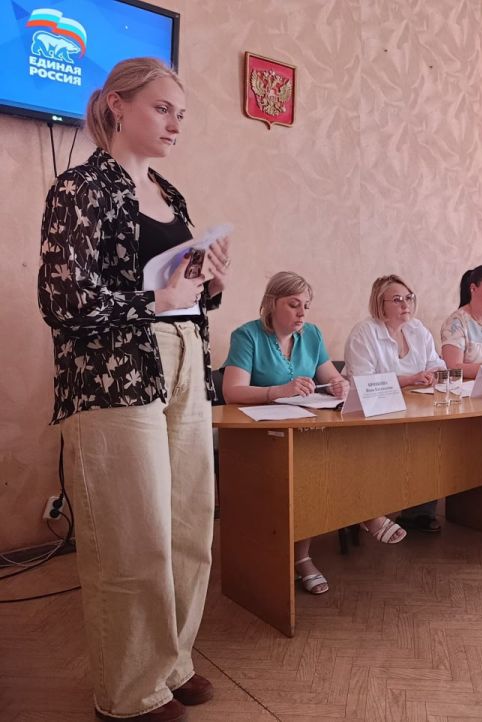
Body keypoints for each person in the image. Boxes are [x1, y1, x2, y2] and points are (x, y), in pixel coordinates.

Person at [37, 58, 231, 722]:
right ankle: (129, 693)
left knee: (189, 525)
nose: (176, 124)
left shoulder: (171, 194)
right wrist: (154, 300)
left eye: (182, 113)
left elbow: (181, 293)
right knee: (131, 536)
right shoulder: (79, 187)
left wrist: (210, 285)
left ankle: (171, 663)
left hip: (183, 360)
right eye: (163, 108)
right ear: (118, 105)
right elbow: (63, 301)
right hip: (112, 372)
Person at [222, 272, 406, 595]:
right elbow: (231, 391)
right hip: (260, 434)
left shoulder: (311, 335)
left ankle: (356, 517)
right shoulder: (247, 335)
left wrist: (339, 385)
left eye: (306, 306)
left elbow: (333, 378)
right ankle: (347, 527)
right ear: (271, 303)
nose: (302, 313)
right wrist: (278, 391)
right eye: (293, 305)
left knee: (341, 450)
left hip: (304, 426)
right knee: (308, 463)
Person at [344, 275, 445, 532]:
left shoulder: (417, 329)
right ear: (381, 304)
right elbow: (362, 382)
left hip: (416, 409)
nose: (405, 304)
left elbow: (438, 364)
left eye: (408, 298)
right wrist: (409, 379)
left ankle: (419, 511)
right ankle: (368, 510)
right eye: (397, 300)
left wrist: (432, 374)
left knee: (432, 437)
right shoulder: (365, 333)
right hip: (373, 413)